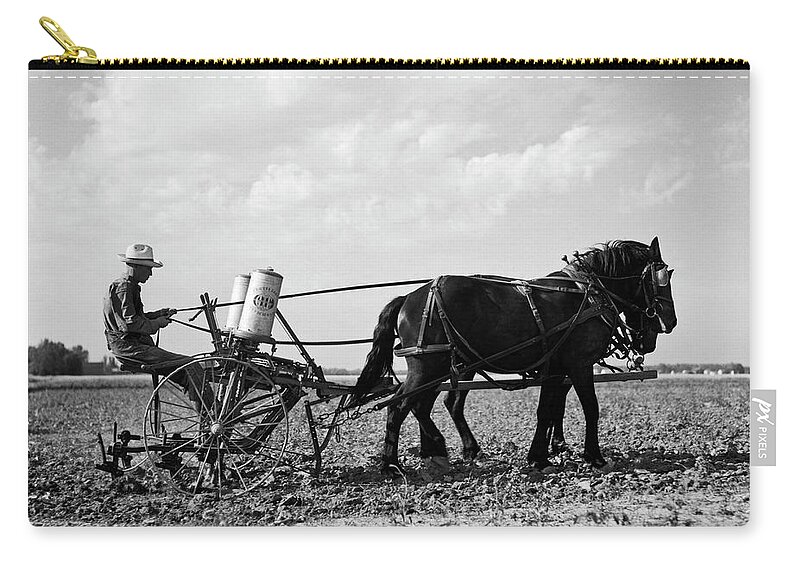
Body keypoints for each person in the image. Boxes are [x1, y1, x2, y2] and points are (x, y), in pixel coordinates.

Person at [104, 244, 209, 409]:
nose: (151, 273)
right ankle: (213, 416)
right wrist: (157, 323)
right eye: (148, 269)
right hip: (130, 347)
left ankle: (209, 417)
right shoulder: (124, 288)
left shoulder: (129, 286)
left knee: (187, 371)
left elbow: (137, 318)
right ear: (136, 267)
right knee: (190, 365)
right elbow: (130, 324)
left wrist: (158, 314)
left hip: (132, 345)